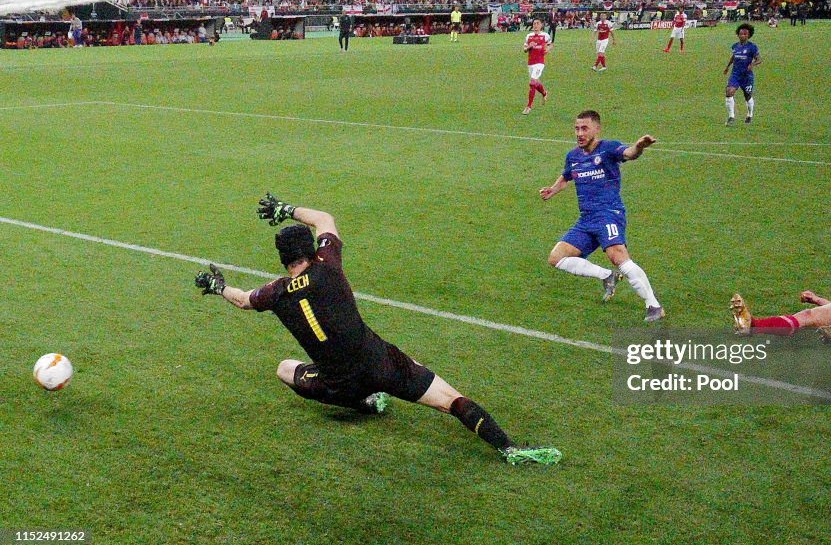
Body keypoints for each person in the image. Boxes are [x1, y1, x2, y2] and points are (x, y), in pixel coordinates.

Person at [193, 194, 562, 466]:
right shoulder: (328, 265)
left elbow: (242, 299)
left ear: (283, 260)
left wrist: (217, 287)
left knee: (284, 369)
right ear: (310, 249)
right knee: (451, 400)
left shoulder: (274, 293)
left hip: (339, 383)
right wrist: (285, 209)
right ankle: (509, 449)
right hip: (382, 364)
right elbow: (323, 216)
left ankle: (366, 404)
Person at [539, 111, 665, 322]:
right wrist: (553, 189)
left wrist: (640, 147)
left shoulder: (608, 148)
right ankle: (606, 276)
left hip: (608, 215)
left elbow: (629, 153)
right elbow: (567, 174)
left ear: (597, 129)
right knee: (556, 258)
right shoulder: (573, 156)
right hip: (586, 220)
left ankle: (653, 305)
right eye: (577, 128)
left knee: (618, 257)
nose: (579, 133)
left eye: (584, 128)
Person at [723, 23, 760, 126]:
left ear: (748, 35)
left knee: (747, 96)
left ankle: (749, 114)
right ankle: (731, 117)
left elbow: (759, 59)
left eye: (745, 34)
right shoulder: (735, 46)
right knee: (729, 92)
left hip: (747, 76)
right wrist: (727, 66)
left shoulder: (752, 47)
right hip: (735, 74)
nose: (742, 35)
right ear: (738, 35)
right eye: (740, 34)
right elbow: (733, 57)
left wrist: (752, 64)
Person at [522, 19, 551, 115]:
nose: (535, 25)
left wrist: (547, 50)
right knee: (535, 83)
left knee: (532, 82)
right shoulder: (529, 36)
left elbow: (550, 45)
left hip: (539, 63)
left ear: (541, 25)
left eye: (537, 23)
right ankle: (544, 93)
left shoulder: (545, 35)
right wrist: (529, 47)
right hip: (530, 63)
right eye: (534, 23)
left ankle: (528, 106)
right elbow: (524, 49)